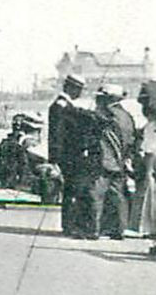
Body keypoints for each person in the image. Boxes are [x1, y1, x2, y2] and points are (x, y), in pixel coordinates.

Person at [79, 85, 139, 240]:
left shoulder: (106, 114)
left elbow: (93, 133)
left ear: (109, 99)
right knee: (117, 196)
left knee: (95, 194)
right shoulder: (127, 116)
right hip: (120, 161)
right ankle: (118, 229)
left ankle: (93, 230)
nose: (97, 100)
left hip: (102, 161)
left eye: (100, 98)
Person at [48, 73, 88, 236]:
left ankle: (70, 224)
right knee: (73, 190)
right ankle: (70, 225)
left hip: (69, 155)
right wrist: (55, 159)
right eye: (79, 89)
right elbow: (57, 134)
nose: (80, 93)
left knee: (71, 190)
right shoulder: (61, 106)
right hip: (69, 156)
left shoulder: (66, 105)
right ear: (71, 88)